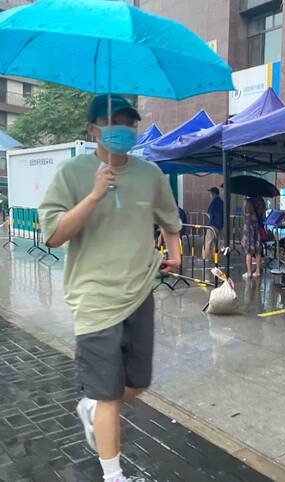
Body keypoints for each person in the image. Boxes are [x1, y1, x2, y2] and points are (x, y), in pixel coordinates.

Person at [38, 94, 182, 482]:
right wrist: (94, 194)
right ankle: (113, 475)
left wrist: (175, 254)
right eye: (112, 121)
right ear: (92, 129)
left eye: (128, 122)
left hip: (140, 293)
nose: (122, 129)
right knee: (108, 396)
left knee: (137, 383)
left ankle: (91, 409)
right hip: (94, 298)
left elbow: (170, 219)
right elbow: (52, 235)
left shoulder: (150, 174)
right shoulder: (71, 173)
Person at [242, 196, 266, 278]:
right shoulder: (262, 201)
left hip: (249, 227)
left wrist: (245, 203)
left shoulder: (248, 202)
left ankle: (249, 272)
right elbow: (263, 216)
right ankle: (258, 271)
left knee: (249, 251)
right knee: (258, 250)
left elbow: (246, 214)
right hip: (258, 227)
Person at [205, 186, 224, 259]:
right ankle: (216, 257)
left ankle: (207, 257)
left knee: (209, 242)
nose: (210, 195)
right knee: (217, 243)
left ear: (213, 194)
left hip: (212, 225)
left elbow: (210, 213)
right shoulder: (222, 202)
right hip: (220, 225)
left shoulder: (214, 202)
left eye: (210, 193)